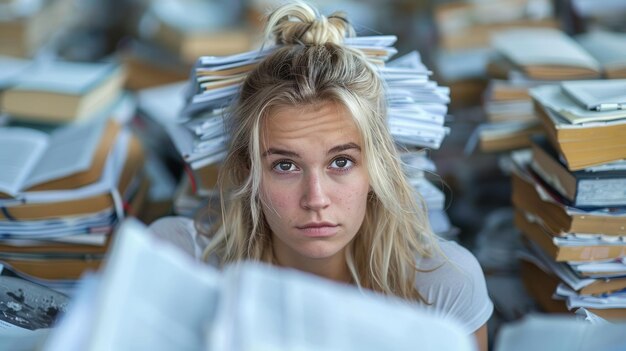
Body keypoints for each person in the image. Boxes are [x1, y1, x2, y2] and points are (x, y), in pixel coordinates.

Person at [150, 2, 493, 350]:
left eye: (341, 162)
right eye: (285, 166)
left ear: (377, 169)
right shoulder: (182, 262)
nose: (315, 199)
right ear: (248, 171)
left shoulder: (443, 285)